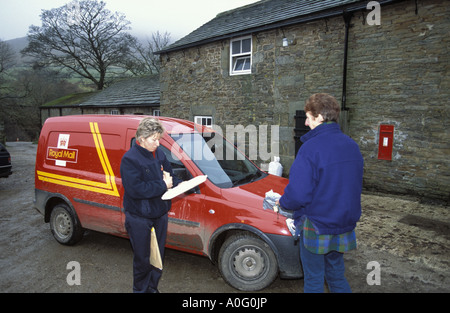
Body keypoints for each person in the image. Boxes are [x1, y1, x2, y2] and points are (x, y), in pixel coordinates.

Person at [279, 93, 364, 293]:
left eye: (308, 117)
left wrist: (283, 203)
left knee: (314, 281)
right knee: (336, 276)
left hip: (317, 225)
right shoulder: (352, 146)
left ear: (319, 117)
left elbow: (298, 194)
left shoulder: (310, 148)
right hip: (343, 224)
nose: (306, 123)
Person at [120, 117, 181, 293]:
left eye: (158, 138)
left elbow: (171, 175)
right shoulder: (130, 159)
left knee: (157, 258)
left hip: (159, 214)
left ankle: (152, 289)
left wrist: (182, 184)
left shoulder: (159, 154)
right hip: (139, 217)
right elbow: (135, 189)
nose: (157, 142)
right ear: (142, 138)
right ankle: (140, 291)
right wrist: (164, 185)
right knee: (143, 259)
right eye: (153, 139)